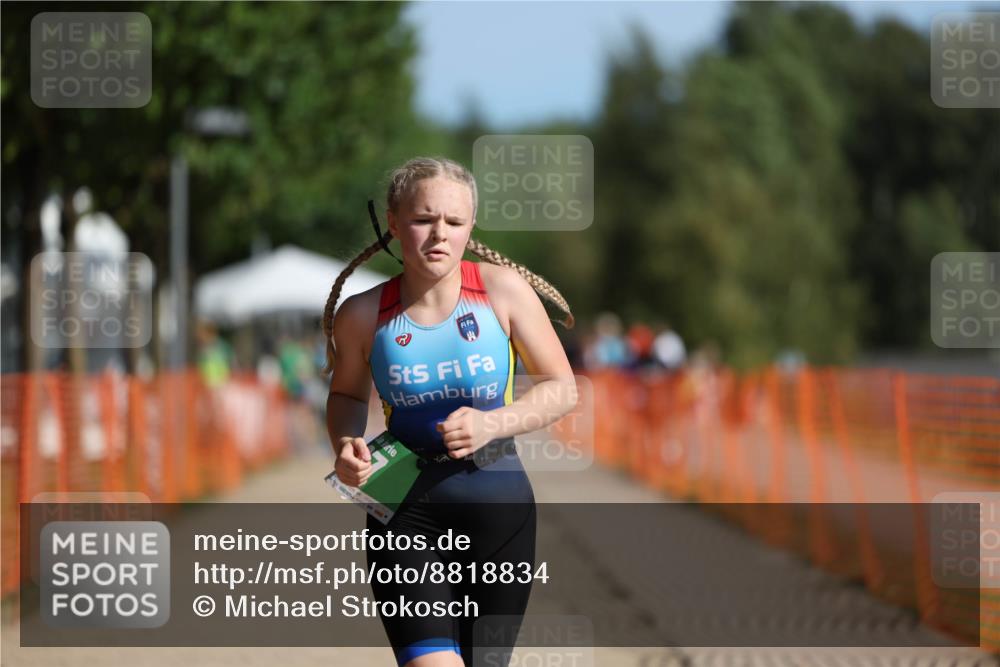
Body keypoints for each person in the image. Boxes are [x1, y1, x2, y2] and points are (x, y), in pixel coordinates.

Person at [322, 157, 577, 667]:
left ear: (470, 228)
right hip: (403, 513)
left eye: (454, 223)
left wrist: (493, 423)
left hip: (498, 511)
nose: (439, 234)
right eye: (423, 219)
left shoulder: (501, 291)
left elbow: (562, 388)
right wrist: (346, 445)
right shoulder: (363, 314)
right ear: (394, 223)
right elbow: (347, 397)